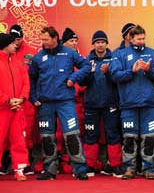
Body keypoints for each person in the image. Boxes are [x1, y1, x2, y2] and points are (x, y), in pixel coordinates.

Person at [29, 26, 90, 180]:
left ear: (55, 38)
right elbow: (32, 78)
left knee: (71, 135)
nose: (43, 42)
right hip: (45, 104)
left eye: (46, 39)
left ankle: (80, 169)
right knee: (47, 137)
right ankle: (50, 170)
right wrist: (34, 97)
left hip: (65, 102)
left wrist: (73, 79)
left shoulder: (70, 53)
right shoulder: (38, 57)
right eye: (42, 39)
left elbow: (87, 66)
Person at [110, 25, 154, 180]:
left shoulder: (152, 54)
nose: (142, 41)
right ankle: (129, 168)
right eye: (139, 38)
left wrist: (148, 70)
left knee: (149, 137)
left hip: (148, 103)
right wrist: (131, 72)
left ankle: (149, 168)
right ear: (131, 38)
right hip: (128, 104)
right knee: (129, 137)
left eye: (143, 38)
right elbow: (114, 75)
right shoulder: (120, 54)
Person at [80, 30, 123, 178]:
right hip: (91, 104)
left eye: (102, 42)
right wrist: (88, 75)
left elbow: (118, 80)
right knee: (91, 135)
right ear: (94, 44)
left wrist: (108, 73)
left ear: (106, 43)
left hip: (110, 103)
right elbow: (81, 82)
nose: (100, 44)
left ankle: (115, 166)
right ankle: (90, 166)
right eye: (97, 42)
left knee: (113, 134)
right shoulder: (87, 60)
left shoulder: (114, 59)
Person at [9, 24, 39, 175]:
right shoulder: (6, 55)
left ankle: (25, 163)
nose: (16, 42)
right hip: (7, 102)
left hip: (25, 101)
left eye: (19, 39)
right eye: (14, 39)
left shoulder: (31, 53)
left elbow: (32, 79)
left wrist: (24, 97)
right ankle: (7, 161)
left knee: (25, 132)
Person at [0, 34, 29, 181]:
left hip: (17, 108)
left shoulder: (18, 61)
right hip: (2, 109)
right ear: (4, 45)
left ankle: (20, 170)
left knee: (19, 140)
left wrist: (22, 98)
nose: (15, 45)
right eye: (12, 43)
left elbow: (26, 82)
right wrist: (7, 100)